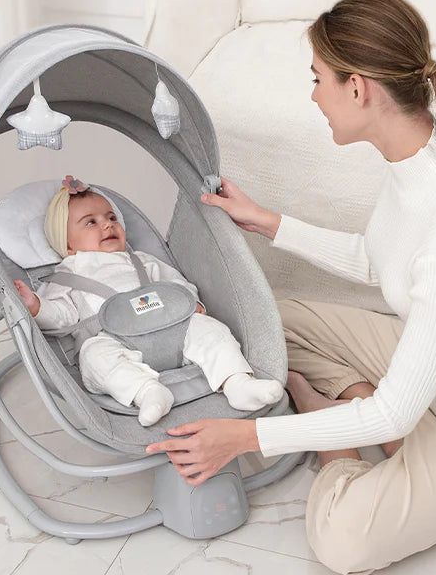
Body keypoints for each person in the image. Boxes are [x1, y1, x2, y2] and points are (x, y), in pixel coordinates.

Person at [145, 0, 436, 575]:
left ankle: (336, 427)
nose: (313, 95)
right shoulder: (419, 159)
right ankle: (359, 402)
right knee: (271, 320)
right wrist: (266, 221)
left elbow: (394, 414)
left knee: (344, 540)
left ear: (358, 88)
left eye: (317, 78)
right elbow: (379, 261)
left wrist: (246, 438)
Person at [14, 176, 283, 427]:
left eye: (111, 217)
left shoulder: (141, 260)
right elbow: (62, 317)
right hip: (115, 340)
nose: (107, 224)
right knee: (93, 356)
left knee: (210, 330)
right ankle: (147, 392)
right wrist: (36, 307)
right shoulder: (67, 274)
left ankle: (236, 382)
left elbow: (175, 285)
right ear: (67, 244)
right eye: (90, 222)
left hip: (172, 331)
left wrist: (190, 303)